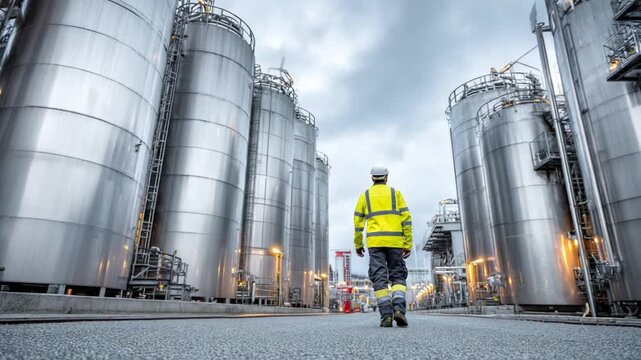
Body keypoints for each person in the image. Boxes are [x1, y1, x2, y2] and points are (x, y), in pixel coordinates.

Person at [353, 165, 412, 327]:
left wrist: (358, 244)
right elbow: (406, 220)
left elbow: (358, 223)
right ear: (386, 177)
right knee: (398, 276)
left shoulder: (365, 196)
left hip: (375, 243)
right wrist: (407, 244)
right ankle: (399, 310)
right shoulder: (396, 193)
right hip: (395, 243)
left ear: (372, 178)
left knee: (379, 277)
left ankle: (386, 315)